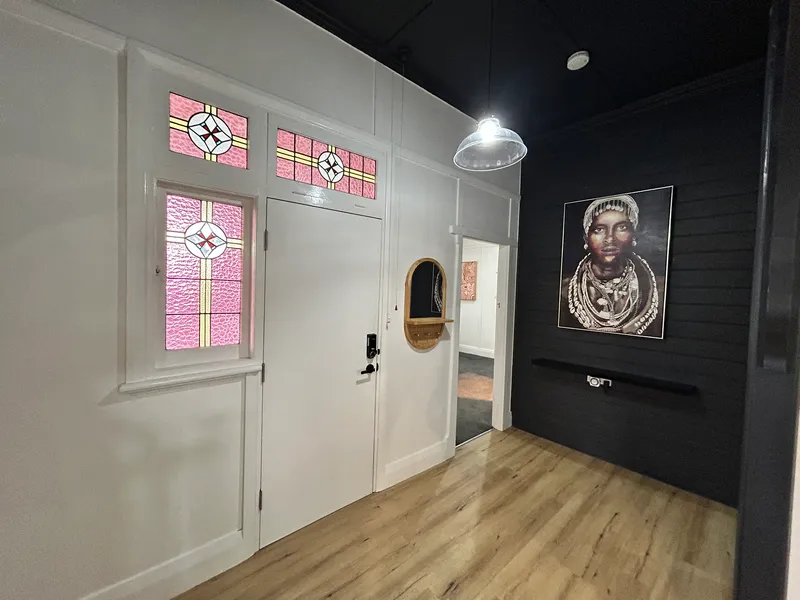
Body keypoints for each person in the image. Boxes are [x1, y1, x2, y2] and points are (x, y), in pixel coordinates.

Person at [560, 194, 664, 336]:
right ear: (586, 238)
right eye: (599, 229)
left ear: (633, 235)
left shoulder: (659, 291)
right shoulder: (564, 292)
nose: (610, 239)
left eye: (621, 227)